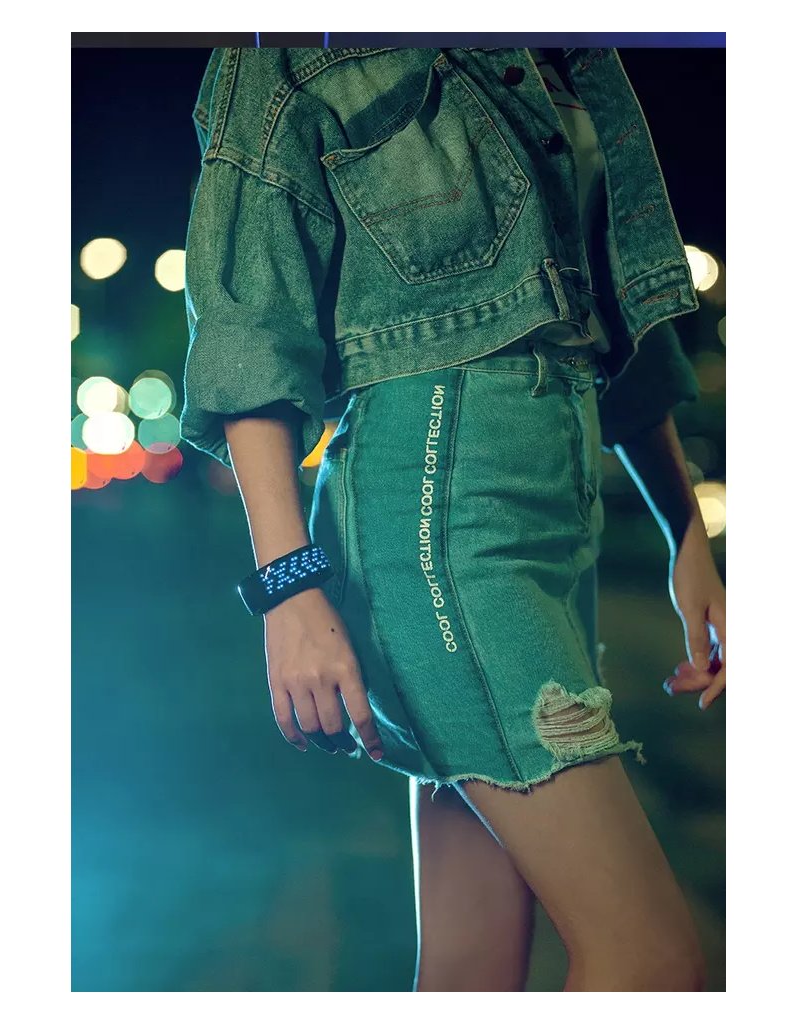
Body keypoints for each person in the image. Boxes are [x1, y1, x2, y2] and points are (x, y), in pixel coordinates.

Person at [180, 44, 725, 992]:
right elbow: (249, 336)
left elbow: (619, 315)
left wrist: (687, 538)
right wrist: (289, 589)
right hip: (438, 511)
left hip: (558, 515)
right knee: (653, 961)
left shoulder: (572, 53)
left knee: (473, 971)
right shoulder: (306, 48)